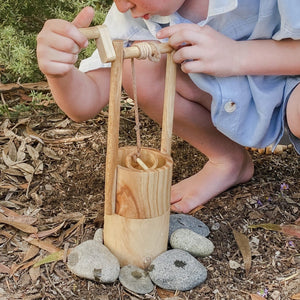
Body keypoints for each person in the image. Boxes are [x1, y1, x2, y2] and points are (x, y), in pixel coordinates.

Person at [37, 0, 300, 214]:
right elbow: (85, 104)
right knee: (141, 63)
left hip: (292, 91)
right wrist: (59, 72)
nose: (120, 6)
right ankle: (228, 160)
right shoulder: (135, 16)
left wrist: (237, 56)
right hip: (240, 102)